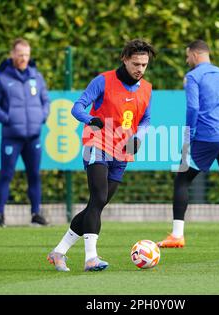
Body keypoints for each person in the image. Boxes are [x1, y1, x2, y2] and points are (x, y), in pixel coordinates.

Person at [47, 39, 156, 272]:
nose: (140, 69)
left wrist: (139, 137)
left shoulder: (146, 89)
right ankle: (91, 258)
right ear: (125, 59)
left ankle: (58, 252)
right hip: (96, 144)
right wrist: (90, 119)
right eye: (136, 63)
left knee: (97, 204)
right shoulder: (103, 81)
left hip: (122, 152)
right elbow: (77, 107)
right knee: (97, 199)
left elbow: (146, 120)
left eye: (144, 65)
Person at [157, 40, 219, 250]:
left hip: (208, 136)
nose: (186, 60)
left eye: (187, 55)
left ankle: (177, 235)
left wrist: (188, 136)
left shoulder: (193, 76)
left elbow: (192, 108)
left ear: (195, 54)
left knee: (182, 179)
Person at [0, 38, 50, 227]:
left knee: (35, 175)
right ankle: (0, 215)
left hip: (33, 137)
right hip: (11, 137)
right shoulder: (2, 78)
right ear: (12, 54)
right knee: (6, 175)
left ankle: (36, 214)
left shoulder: (36, 77)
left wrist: (42, 116)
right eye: (20, 54)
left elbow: (46, 101)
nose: (24, 58)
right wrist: (7, 119)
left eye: (27, 54)